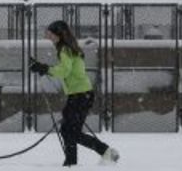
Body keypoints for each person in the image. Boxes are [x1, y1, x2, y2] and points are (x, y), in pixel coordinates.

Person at [29, 20, 119, 167]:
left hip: (80, 96)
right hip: (81, 95)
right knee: (68, 131)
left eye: (51, 33)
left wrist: (44, 69)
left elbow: (64, 70)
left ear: (59, 34)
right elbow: (67, 71)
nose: (49, 36)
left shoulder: (65, 49)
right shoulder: (69, 48)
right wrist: (43, 68)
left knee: (71, 132)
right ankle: (73, 162)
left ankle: (100, 154)